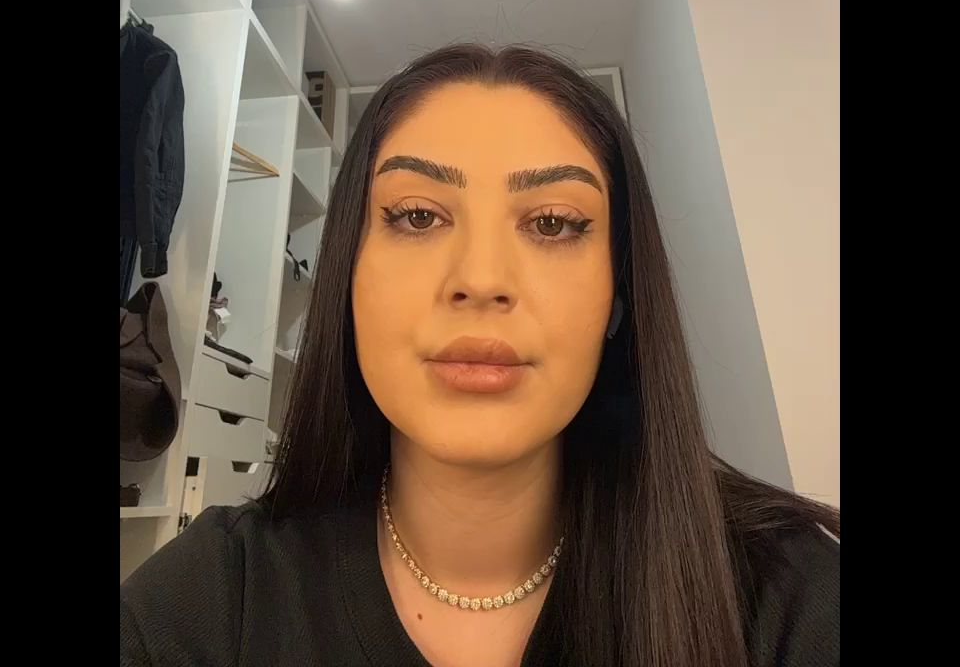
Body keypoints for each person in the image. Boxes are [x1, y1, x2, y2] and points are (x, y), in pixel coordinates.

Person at [120, 43, 839, 667]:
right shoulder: (209, 602)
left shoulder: (789, 597)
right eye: (417, 216)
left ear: (618, 294)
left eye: (552, 223)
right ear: (347, 276)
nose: (482, 278)